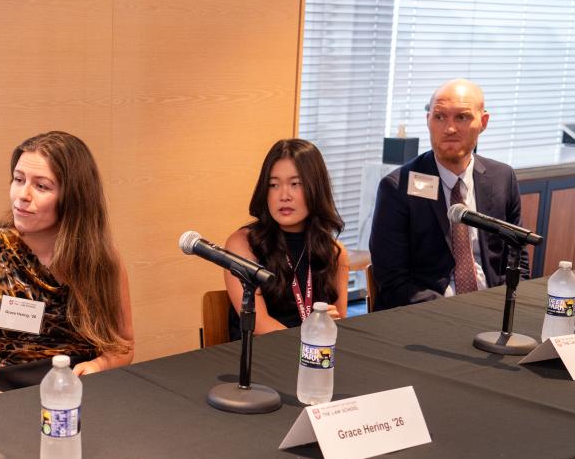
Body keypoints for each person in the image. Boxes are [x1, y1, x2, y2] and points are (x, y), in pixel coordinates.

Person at [0, 131, 134, 397]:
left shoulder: (101, 260)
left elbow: (123, 345)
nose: (22, 195)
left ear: (74, 197)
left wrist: (100, 364)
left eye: (41, 186)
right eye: (18, 180)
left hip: (73, 397)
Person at [369, 78, 528, 310]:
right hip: (425, 313)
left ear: (483, 122)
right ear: (428, 120)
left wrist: (509, 307)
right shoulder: (397, 187)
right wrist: (458, 312)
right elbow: (393, 281)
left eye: (462, 117)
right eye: (440, 116)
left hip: (492, 309)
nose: (449, 128)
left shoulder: (502, 178)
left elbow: (518, 259)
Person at [224, 139, 349, 335]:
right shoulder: (243, 244)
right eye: (273, 185)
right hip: (260, 357)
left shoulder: (334, 252)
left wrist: (330, 323)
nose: (284, 195)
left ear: (315, 188)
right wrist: (308, 339)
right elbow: (259, 324)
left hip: (311, 359)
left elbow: (337, 320)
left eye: (295, 184)